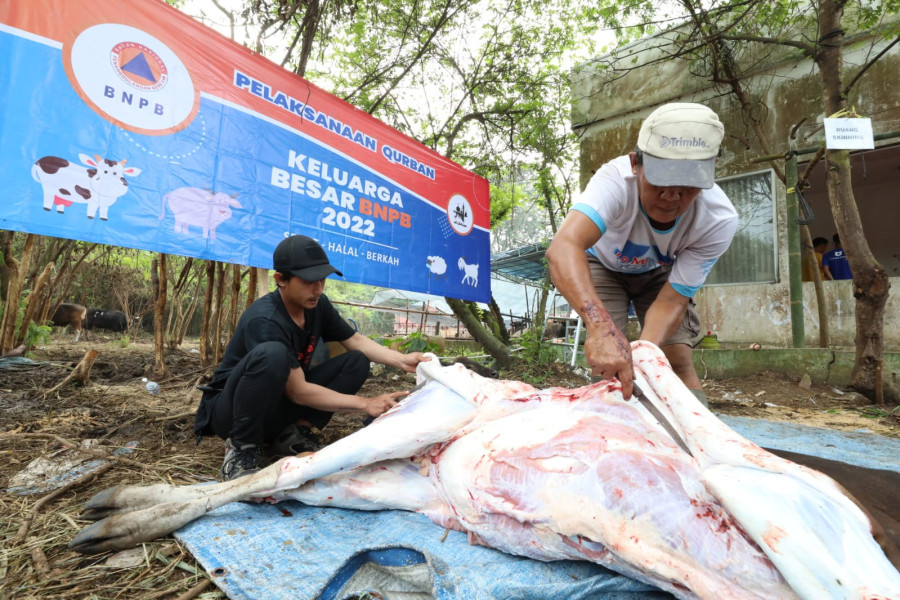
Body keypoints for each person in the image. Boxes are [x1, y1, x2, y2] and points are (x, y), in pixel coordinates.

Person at [546, 103, 738, 405]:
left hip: (661, 272)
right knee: (609, 364)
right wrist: (600, 329)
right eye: (661, 180)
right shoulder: (614, 182)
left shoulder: (718, 219)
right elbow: (563, 246)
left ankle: (696, 443)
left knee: (674, 360)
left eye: (688, 184)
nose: (672, 196)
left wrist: (645, 355)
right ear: (636, 163)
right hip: (604, 266)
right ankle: (609, 437)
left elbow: (673, 298)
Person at [194, 235, 431, 480]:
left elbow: (355, 341)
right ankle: (241, 449)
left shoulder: (318, 305)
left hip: (278, 402)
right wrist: (365, 403)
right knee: (272, 354)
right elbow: (298, 392)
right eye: (309, 281)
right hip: (234, 412)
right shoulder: (265, 319)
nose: (318, 289)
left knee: (356, 360)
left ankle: (293, 435)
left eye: (322, 280)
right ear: (281, 280)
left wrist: (403, 361)